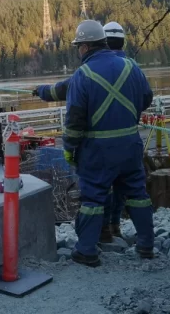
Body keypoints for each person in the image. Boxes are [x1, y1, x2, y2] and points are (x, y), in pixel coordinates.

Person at [63, 19, 154, 267]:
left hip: (98, 151)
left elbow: (74, 121)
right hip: (130, 145)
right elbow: (147, 97)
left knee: (93, 198)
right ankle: (146, 245)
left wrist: (70, 149)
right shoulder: (131, 66)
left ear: (84, 46)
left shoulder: (83, 75)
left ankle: (87, 250)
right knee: (137, 193)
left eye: (78, 46)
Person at [33, 21, 131, 241]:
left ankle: (101, 233)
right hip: (128, 143)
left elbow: (63, 90)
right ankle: (117, 227)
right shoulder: (130, 67)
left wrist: (40, 91)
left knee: (98, 190)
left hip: (98, 145)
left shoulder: (90, 69)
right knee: (122, 186)